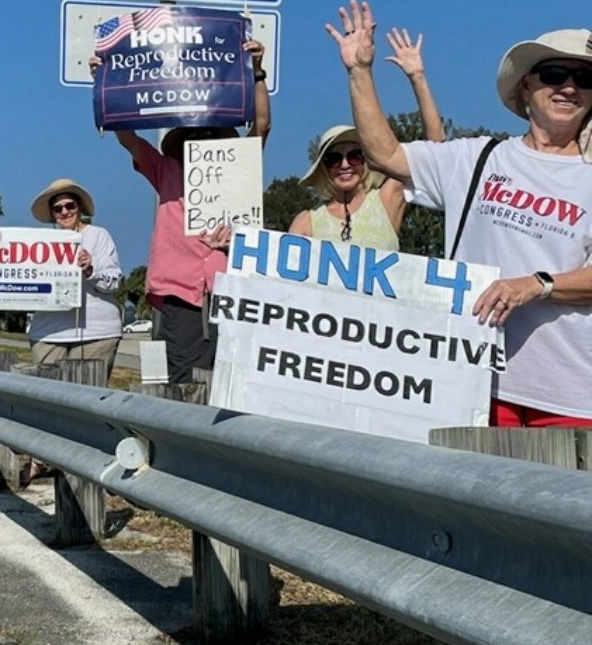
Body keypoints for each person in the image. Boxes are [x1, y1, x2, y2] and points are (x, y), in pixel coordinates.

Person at [329, 0, 592, 645]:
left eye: (581, 78)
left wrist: (537, 283)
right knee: (474, 525)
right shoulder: (479, 158)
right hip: (475, 377)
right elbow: (386, 153)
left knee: (572, 536)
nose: (567, 86)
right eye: (553, 74)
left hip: (575, 385)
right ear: (525, 89)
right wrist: (360, 69)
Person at [90, 39, 271, 384]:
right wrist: (105, 85)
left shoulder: (238, 170)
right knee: (184, 381)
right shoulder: (165, 171)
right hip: (180, 295)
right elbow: (127, 138)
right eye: (193, 136)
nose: (200, 142)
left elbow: (261, 126)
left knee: (232, 383)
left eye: (209, 136)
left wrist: (258, 72)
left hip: (231, 291)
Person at [290, 29, 445, 247]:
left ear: (366, 160)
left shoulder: (386, 199)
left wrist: (418, 78)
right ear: (323, 167)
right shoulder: (306, 221)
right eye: (334, 158)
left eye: (354, 156)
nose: (345, 165)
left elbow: (434, 150)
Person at [27, 178, 123, 380]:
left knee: (87, 400)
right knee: (46, 400)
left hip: (96, 333)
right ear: (52, 214)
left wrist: (91, 269)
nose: (64, 212)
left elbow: (114, 282)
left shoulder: (99, 235)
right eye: (57, 208)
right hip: (47, 332)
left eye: (70, 205)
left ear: (79, 207)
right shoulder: (39, 243)